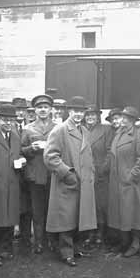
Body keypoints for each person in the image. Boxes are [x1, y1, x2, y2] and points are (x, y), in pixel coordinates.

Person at [44, 96, 97, 267]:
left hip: (84, 183)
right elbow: (50, 157)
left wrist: (91, 174)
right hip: (68, 182)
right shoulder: (60, 130)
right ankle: (66, 253)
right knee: (66, 219)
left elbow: (88, 156)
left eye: (81, 111)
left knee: (78, 218)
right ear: (69, 111)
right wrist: (67, 174)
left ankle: (75, 248)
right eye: (75, 111)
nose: (78, 114)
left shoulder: (85, 132)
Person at [107, 106, 140, 258]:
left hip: (131, 184)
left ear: (132, 120)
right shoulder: (118, 134)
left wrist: (130, 177)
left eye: (125, 117)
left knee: (133, 214)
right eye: (121, 117)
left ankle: (135, 244)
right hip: (116, 183)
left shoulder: (139, 135)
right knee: (120, 214)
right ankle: (124, 242)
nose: (122, 120)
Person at [21, 94, 57, 254]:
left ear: (50, 110)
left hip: (52, 174)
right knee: (37, 210)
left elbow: (62, 148)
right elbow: (20, 151)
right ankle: (38, 242)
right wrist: (31, 149)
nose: (43, 110)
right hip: (35, 175)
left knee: (53, 208)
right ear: (34, 110)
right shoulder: (28, 129)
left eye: (46, 107)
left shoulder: (57, 127)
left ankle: (51, 240)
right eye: (39, 107)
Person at [0, 105, 23, 265]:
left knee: (8, 217)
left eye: (11, 120)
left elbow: (18, 154)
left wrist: (22, 160)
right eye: (5, 119)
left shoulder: (15, 135)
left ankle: (5, 249)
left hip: (12, 182)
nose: (8, 123)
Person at [83, 105, 114, 246]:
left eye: (93, 115)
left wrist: (103, 169)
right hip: (85, 172)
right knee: (88, 204)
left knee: (100, 205)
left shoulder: (106, 130)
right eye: (87, 115)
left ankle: (101, 233)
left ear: (98, 116)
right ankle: (90, 233)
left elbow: (110, 151)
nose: (90, 117)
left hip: (101, 173)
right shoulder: (80, 129)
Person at [11, 97, 32, 248]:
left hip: (28, 171)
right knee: (13, 201)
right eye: (17, 110)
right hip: (12, 172)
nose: (20, 113)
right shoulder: (6, 127)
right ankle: (13, 228)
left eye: (22, 110)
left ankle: (26, 235)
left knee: (27, 203)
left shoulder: (29, 127)